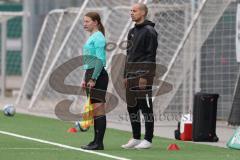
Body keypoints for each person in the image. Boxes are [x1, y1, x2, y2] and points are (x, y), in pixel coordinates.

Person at [122, 3, 158, 149]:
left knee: (146, 108)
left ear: (142, 13)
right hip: (130, 76)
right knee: (132, 107)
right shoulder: (131, 31)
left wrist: (144, 76)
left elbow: (151, 55)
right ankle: (136, 137)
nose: (131, 13)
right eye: (130, 10)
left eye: (134, 11)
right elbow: (128, 55)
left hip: (144, 76)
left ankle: (148, 139)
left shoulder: (150, 31)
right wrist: (125, 75)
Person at [80, 12, 109, 150]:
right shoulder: (92, 36)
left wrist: (93, 78)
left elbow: (100, 60)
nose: (84, 24)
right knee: (94, 109)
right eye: (84, 21)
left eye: (87, 21)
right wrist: (85, 78)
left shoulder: (99, 38)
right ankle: (95, 140)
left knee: (98, 109)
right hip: (90, 73)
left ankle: (99, 142)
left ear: (96, 22)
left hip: (97, 75)